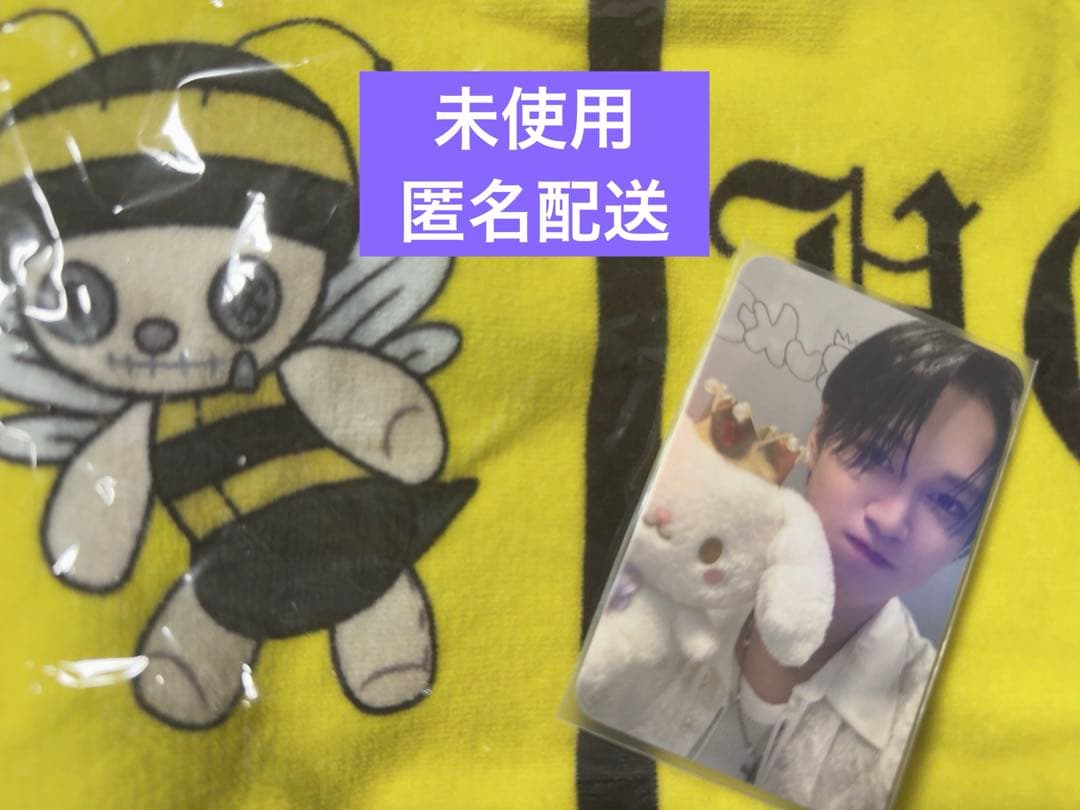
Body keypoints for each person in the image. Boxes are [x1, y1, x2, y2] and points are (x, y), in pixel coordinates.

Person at [692, 320, 1024, 809]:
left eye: (947, 503)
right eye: (874, 453)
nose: (891, 520)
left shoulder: (933, 727)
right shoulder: (676, 562)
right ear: (818, 436)